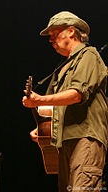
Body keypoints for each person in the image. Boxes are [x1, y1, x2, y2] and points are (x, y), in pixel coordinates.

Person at [22, 11, 108, 192]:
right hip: (64, 142)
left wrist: (39, 99)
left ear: (71, 31)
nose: (50, 39)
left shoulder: (88, 55)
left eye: (54, 33)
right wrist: (42, 128)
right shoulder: (62, 67)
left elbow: (76, 94)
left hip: (86, 138)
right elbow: (51, 108)